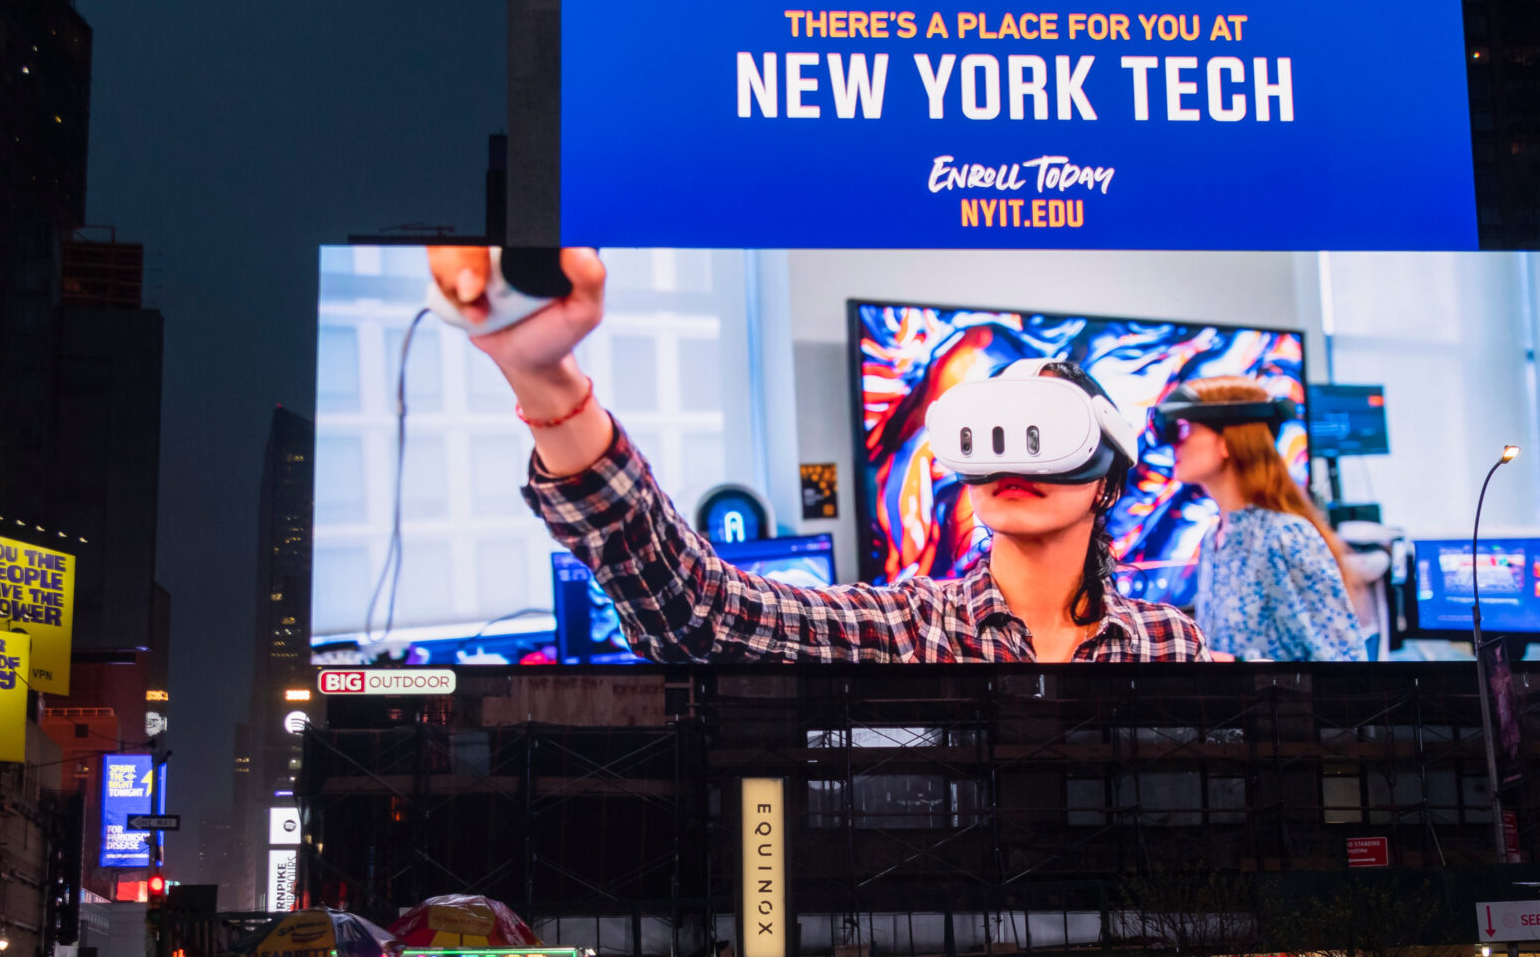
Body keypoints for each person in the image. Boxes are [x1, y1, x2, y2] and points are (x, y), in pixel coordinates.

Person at [426, 246, 1207, 665]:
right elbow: (696, 612)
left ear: (1107, 483)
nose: (1011, 457)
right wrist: (544, 380)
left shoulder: (1169, 644)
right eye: (989, 429)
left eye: (1045, 434)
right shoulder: (905, 631)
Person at [1169, 375, 1365, 662]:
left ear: (1227, 443)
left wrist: (1242, 668)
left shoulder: (1286, 537)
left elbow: (1346, 665)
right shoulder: (1215, 537)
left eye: (1184, 430)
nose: (1175, 445)